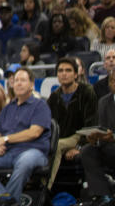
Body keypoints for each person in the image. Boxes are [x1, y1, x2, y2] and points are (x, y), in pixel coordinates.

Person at [0, 68, 52, 206]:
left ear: (31, 84)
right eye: (16, 80)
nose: (18, 83)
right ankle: (3, 198)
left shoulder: (40, 105)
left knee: (25, 161)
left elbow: (34, 132)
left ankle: (6, 201)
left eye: (23, 80)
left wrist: (6, 139)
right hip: (8, 153)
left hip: (33, 151)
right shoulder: (8, 108)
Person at [46, 57, 98, 187]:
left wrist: (79, 147)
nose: (64, 74)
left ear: (76, 74)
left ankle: (46, 187)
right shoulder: (54, 96)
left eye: (68, 70)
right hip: (60, 136)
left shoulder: (87, 91)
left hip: (79, 135)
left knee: (56, 146)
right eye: (60, 70)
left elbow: (91, 124)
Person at [79, 72, 115, 206]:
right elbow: (102, 129)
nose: (114, 83)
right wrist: (95, 138)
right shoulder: (103, 102)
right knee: (87, 150)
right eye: (112, 81)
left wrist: (113, 137)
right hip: (109, 148)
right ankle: (103, 195)